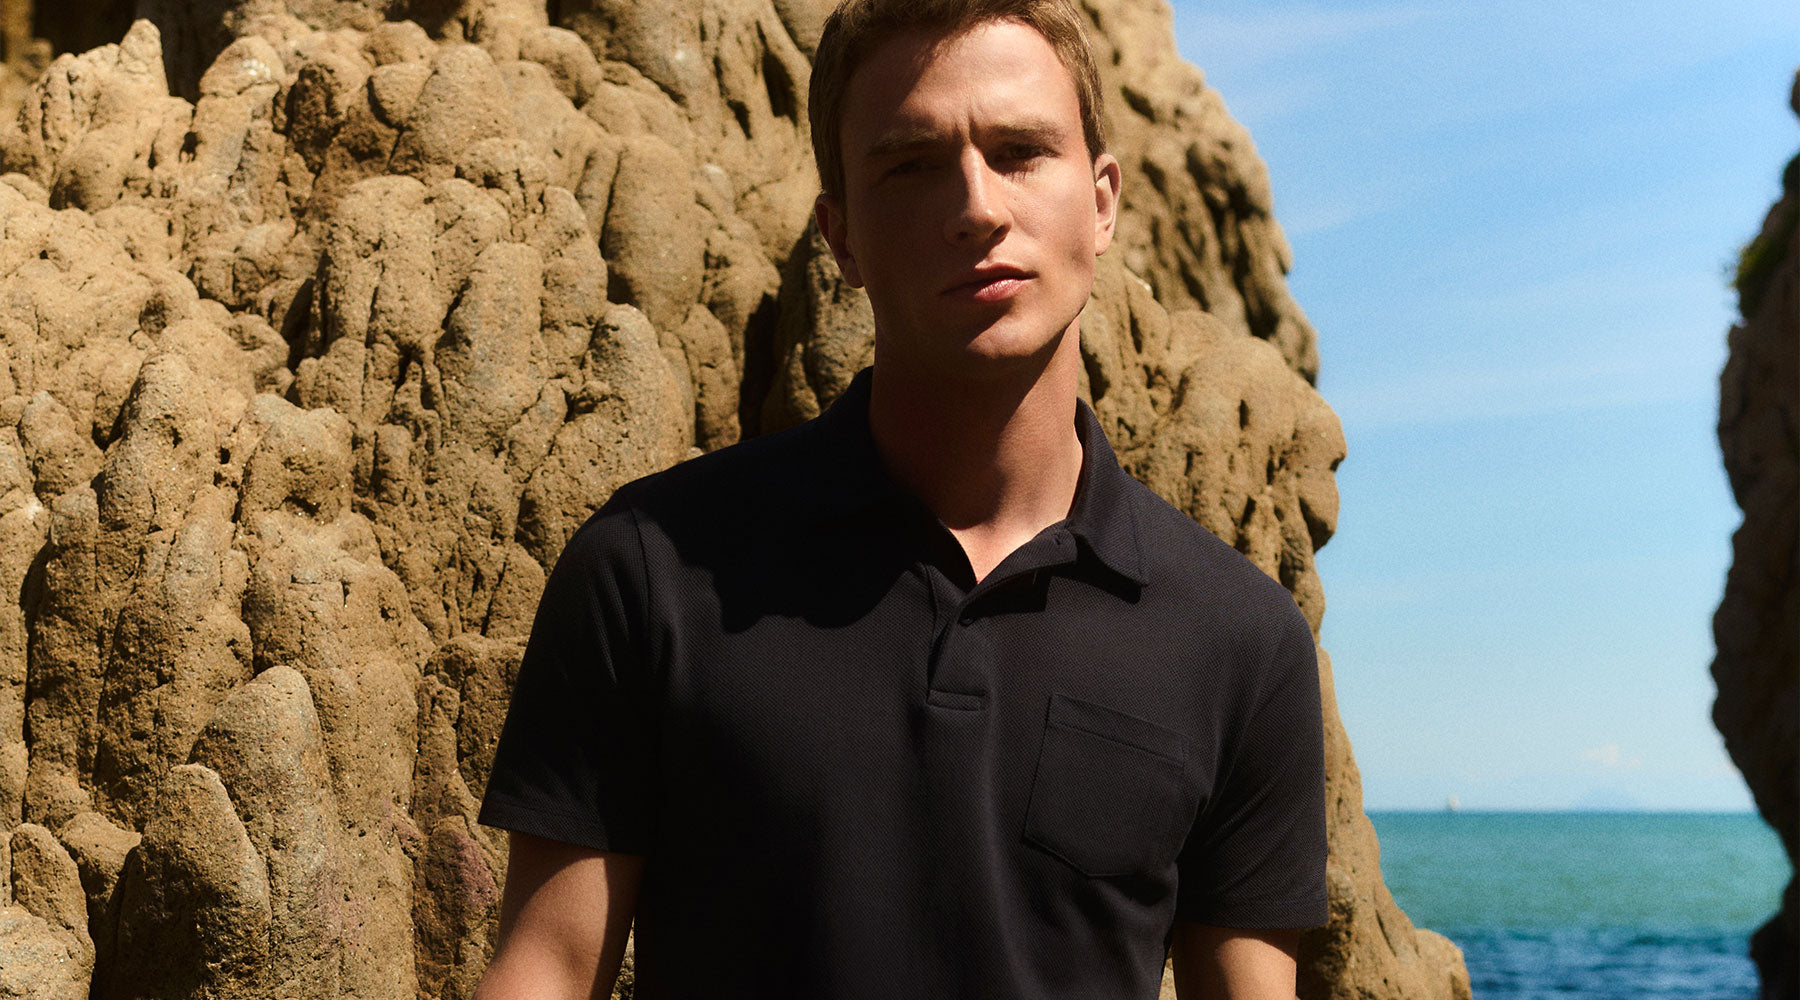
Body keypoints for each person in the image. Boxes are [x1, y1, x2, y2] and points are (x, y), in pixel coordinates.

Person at [472, 0, 1327, 997]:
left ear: (1102, 203)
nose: (977, 207)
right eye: (912, 166)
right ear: (840, 237)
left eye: (1020, 153)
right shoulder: (650, 570)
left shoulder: (1238, 640)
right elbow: (547, 970)